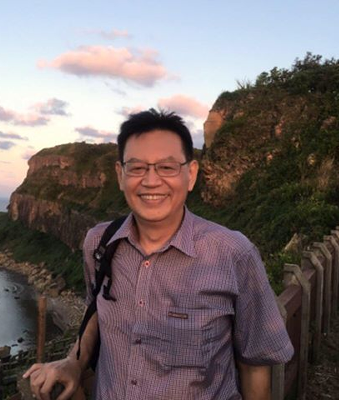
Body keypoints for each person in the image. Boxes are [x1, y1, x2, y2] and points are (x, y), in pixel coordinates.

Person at [24, 109, 294, 400]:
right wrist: (74, 363)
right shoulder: (99, 243)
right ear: (120, 175)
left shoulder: (232, 254)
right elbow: (97, 312)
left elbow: (255, 365)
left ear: (191, 174)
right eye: (137, 168)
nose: (151, 181)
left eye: (167, 167)